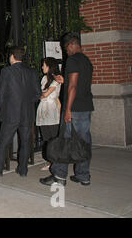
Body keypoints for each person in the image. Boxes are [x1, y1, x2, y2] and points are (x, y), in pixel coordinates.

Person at [40, 33, 94, 186]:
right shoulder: (86, 61)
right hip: (86, 107)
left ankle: (59, 176)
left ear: (71, 45)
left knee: (63, 141)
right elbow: (79, 83)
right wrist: (64, 81)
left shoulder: (72, 60)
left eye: (66, 48)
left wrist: (68, 109)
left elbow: (73, 86)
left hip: (74, 108)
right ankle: (83, 175)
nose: (66, 51)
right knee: (83, 142)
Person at [0, 46, 41, 177]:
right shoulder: (32, 72)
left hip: (11, 113)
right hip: (27, 113)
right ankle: (23, 169)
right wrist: (26, 102)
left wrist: (4, 108)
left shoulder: (7, 71)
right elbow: (38, 94)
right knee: (25, 142)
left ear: (12, 57)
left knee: (3, 142)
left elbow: (1, 94)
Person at [36, 57, 61, 171]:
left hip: (51, 109)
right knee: (45, 136)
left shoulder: (57, 80)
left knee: (53, 137)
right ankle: (50, 161)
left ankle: (56, 161)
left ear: (50, 67)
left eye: (44, 65)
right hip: (43, 109)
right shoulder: (44, 79)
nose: (42, 67)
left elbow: (46, 94)